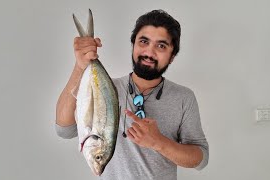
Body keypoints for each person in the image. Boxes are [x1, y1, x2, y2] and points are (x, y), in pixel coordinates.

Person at [55, 9, 209, 180]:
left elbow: (201, 158)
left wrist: (159, 142)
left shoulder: (183, 98)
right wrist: (80, 66)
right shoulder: (106, 90)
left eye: (161, 46)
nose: (149, 53)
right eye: (144, 41)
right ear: (133, 44)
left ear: (172, 56)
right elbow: (64, 129)